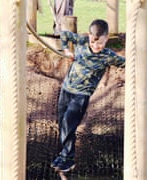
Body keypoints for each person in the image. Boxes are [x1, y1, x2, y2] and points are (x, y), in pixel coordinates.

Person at [51, 19, 125, 172]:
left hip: (81, 95)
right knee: (63, 124)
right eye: (93, 42)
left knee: (68, 124)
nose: (96, 46)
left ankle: (69, 159)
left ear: (106, 38)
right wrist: (66, 50)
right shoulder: (82, 41)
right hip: (66, 89)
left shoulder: (108, 56)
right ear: (89, 36)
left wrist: (146, 60)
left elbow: (129, 63)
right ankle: (64, 155)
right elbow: (64, 34)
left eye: (100, 43)